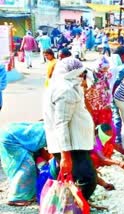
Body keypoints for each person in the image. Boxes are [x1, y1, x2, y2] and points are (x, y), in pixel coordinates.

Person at [43, 54, 97, 200]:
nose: (83, 76)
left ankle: (74, 205)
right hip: (71, 146)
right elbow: (61, 123)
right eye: (81, 73)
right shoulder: (65, 90)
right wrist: (66, 157)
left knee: (77, 178)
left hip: (74, 143)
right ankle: (72, 207)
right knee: (87, 180)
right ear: (73, 74)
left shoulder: (64, 85)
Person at [0, 122, 47, 206]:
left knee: (16, 167)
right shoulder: (51, 132)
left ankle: (25, 193)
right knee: (26, 167)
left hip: (7, 133)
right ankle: (17, 198)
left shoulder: (45, 126)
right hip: (10, 138)